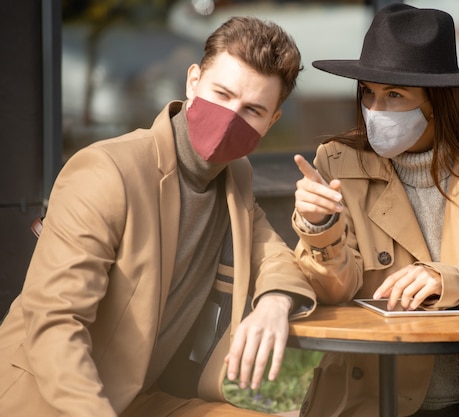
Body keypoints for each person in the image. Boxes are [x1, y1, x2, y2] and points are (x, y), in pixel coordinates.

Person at [0, 16, 316, 417]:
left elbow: (271, 252)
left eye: (252, 109)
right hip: (49, 399)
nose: (231, 117)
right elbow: (55, 324)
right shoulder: (107, 171)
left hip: (137, 398)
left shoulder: (235, 174)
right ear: (193, 81)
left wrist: (274, 301)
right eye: (222, 94)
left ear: (271, 122)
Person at [292, 4, 459, 417]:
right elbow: (331, 292)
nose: (375, 109)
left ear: (437, 100)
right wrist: (319, 227)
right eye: (368, 92)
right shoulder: (338, 162)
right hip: (372, 400)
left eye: (394, 94)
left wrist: (448, 280)